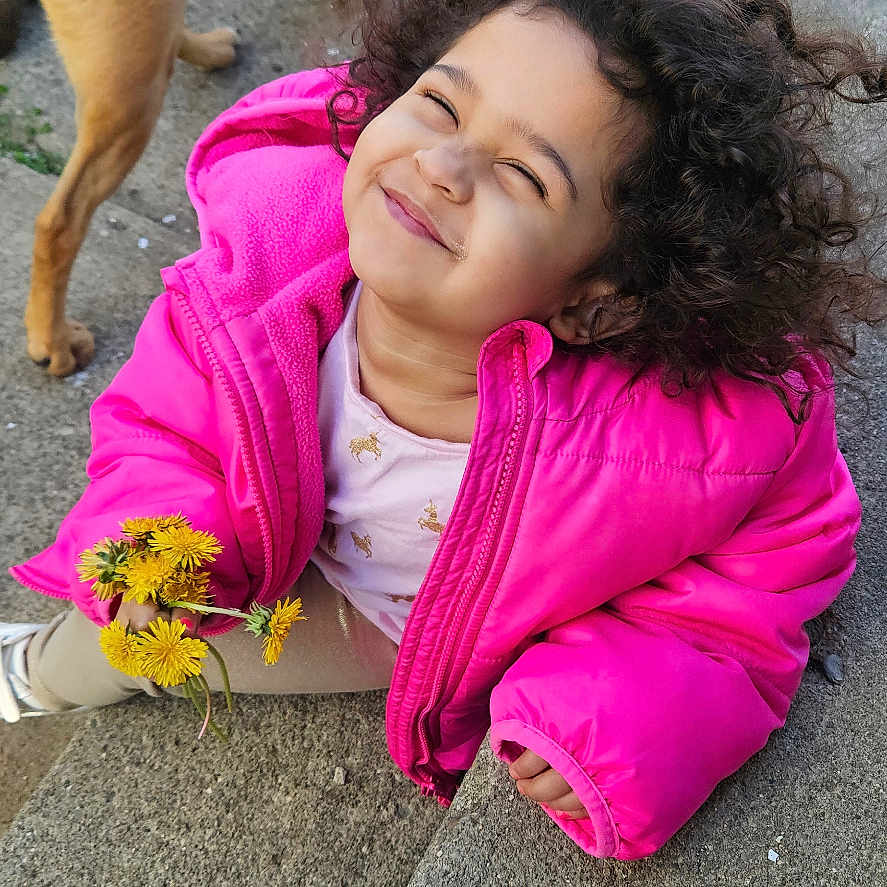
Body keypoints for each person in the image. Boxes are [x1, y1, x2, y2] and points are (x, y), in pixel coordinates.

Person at [2, 0, 884, 861]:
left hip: (399, 619)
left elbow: (757, 586)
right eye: (439, 103)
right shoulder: (261, 269)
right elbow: (167, 421)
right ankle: (38, 671)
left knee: (171, 659)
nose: (440, 165)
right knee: (120, 632)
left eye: (524, 175)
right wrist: (161, 529)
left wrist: (616, 711)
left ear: (594, 303)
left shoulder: (690, 442)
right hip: (257, 513)